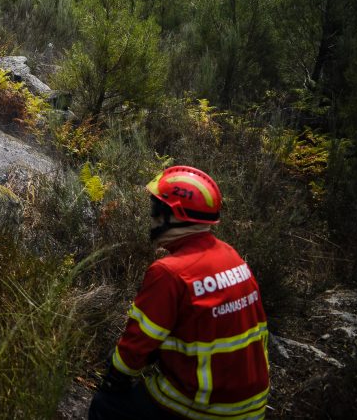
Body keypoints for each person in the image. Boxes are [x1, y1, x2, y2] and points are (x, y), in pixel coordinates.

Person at [89, 166, 270, 419]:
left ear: (173, 215)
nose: (151, 218)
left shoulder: (170, 272)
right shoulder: (230, 255)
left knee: (105, 406)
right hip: (252, 406)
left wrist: (114, 376)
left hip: (205, 406)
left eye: (156, 210)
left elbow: (137, 345)